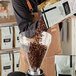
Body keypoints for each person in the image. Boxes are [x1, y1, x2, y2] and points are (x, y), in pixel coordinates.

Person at [7, 0, 46, 76]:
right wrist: (47, 20)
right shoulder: (18, 1)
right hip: (29, 54)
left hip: (52, 52)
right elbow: (26, 30)